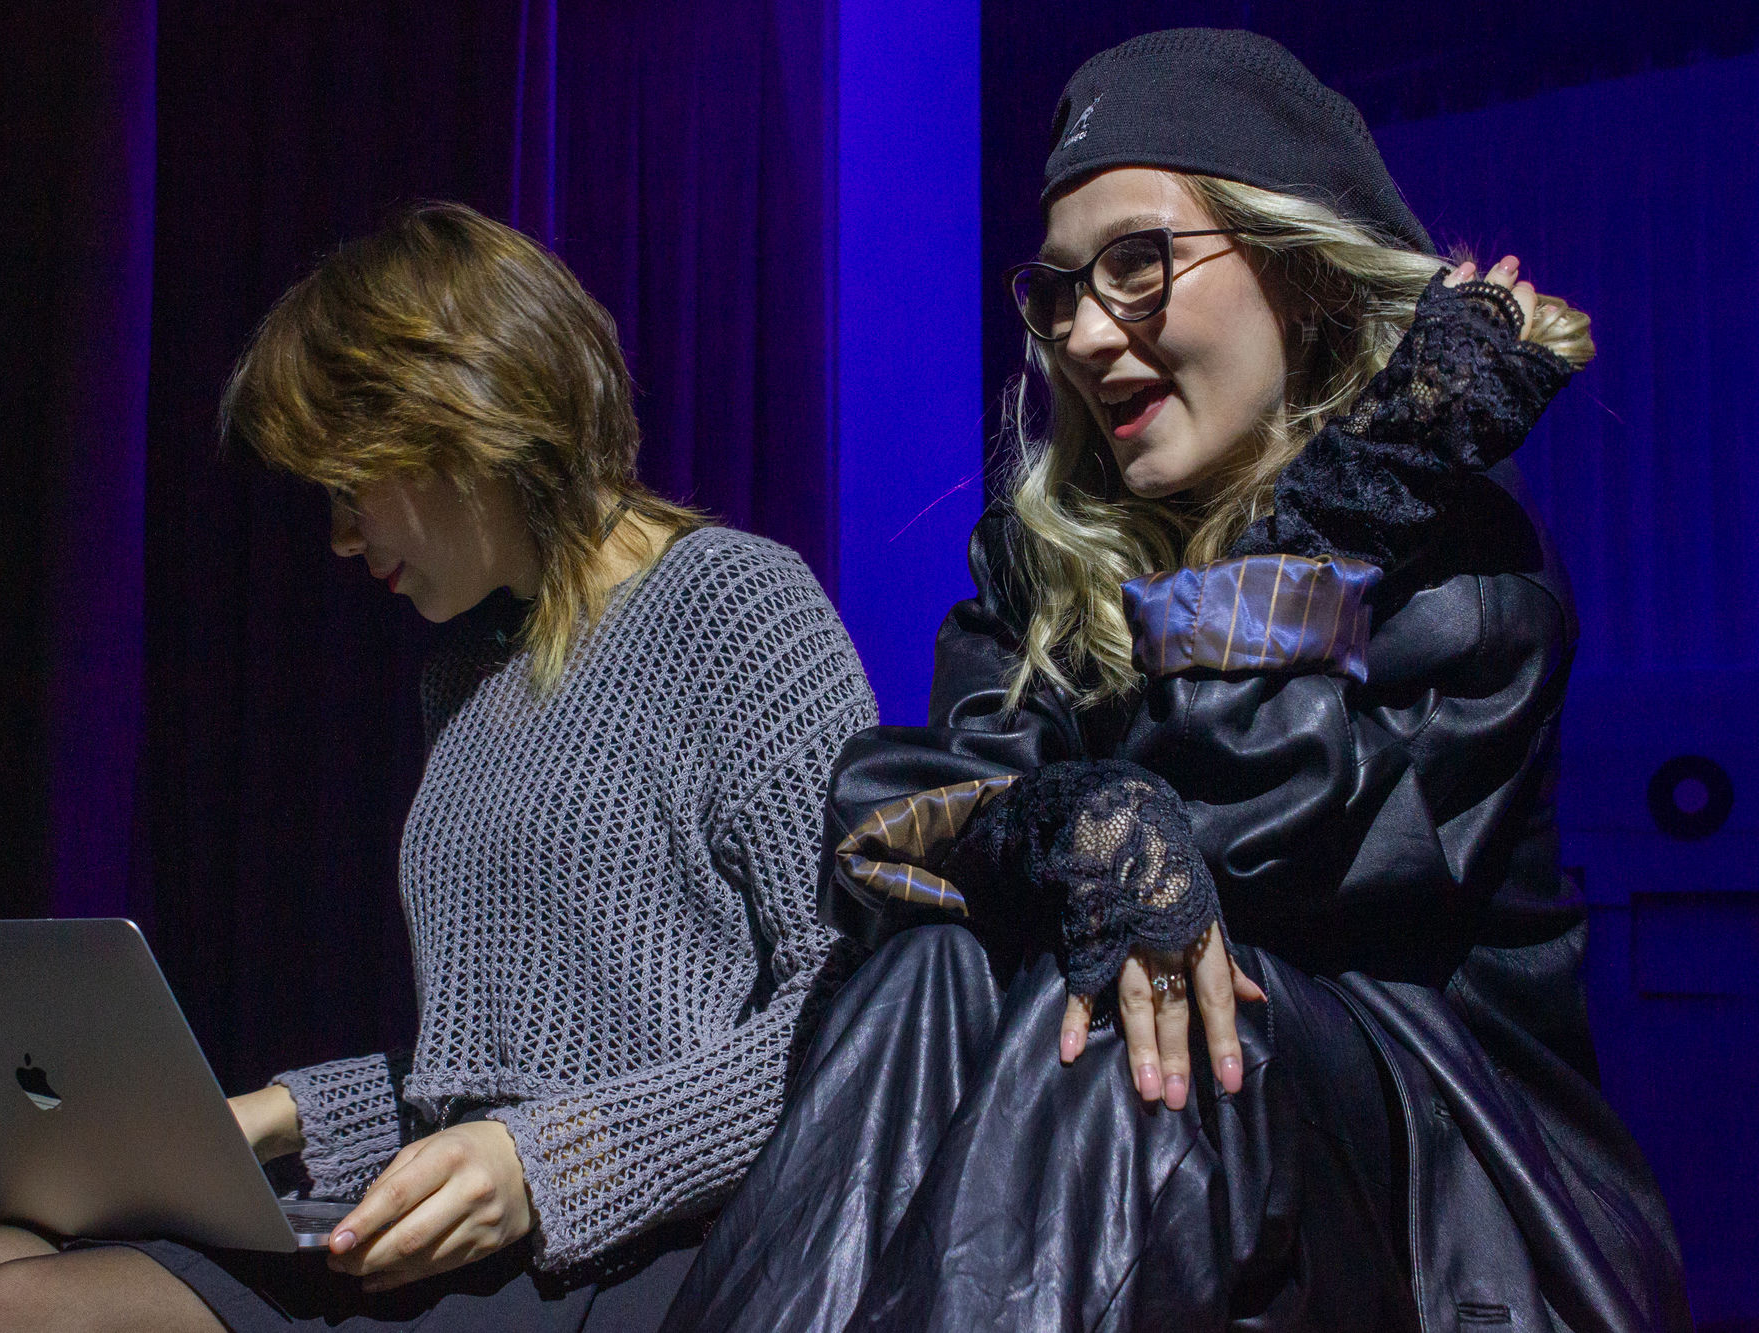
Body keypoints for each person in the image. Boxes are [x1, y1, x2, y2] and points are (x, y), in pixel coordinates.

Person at [664, 29, 1690, 1333]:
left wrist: (1339, 519)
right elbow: (884, 827)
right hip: (1130, 1165)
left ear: (1298, 275)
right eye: (1060, 291)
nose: (1086, 336)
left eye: (1138, 265)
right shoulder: (1043, 570)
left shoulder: (1460, 570)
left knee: (1158, 1005)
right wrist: (1068, 824)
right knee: (933, 969)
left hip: (1429, 1186)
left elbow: (1256, 841)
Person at [0, 203, 877, 1332]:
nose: (338, 536)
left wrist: (545, 1163)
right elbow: (480, 1075)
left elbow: (851, 1015)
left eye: (351, 486)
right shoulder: (468, 673)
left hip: (648, 1240)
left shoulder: (737, 605)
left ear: (463, 423)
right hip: (475, 1228)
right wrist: (262, 1117)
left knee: (24, 1310)